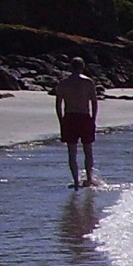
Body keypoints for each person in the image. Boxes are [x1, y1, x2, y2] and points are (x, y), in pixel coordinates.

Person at [54, 58, 99, 188]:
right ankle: (89, 179)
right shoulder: (88, 82)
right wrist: (93, 119)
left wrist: (61, 120)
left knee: (72, 152)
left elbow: (58, 104)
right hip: (85, 117)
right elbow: (94, 103)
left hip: (70, 117)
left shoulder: (63, 83)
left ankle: (75, 181)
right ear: (83, 67)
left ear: (70, 67)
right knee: (88, 150)